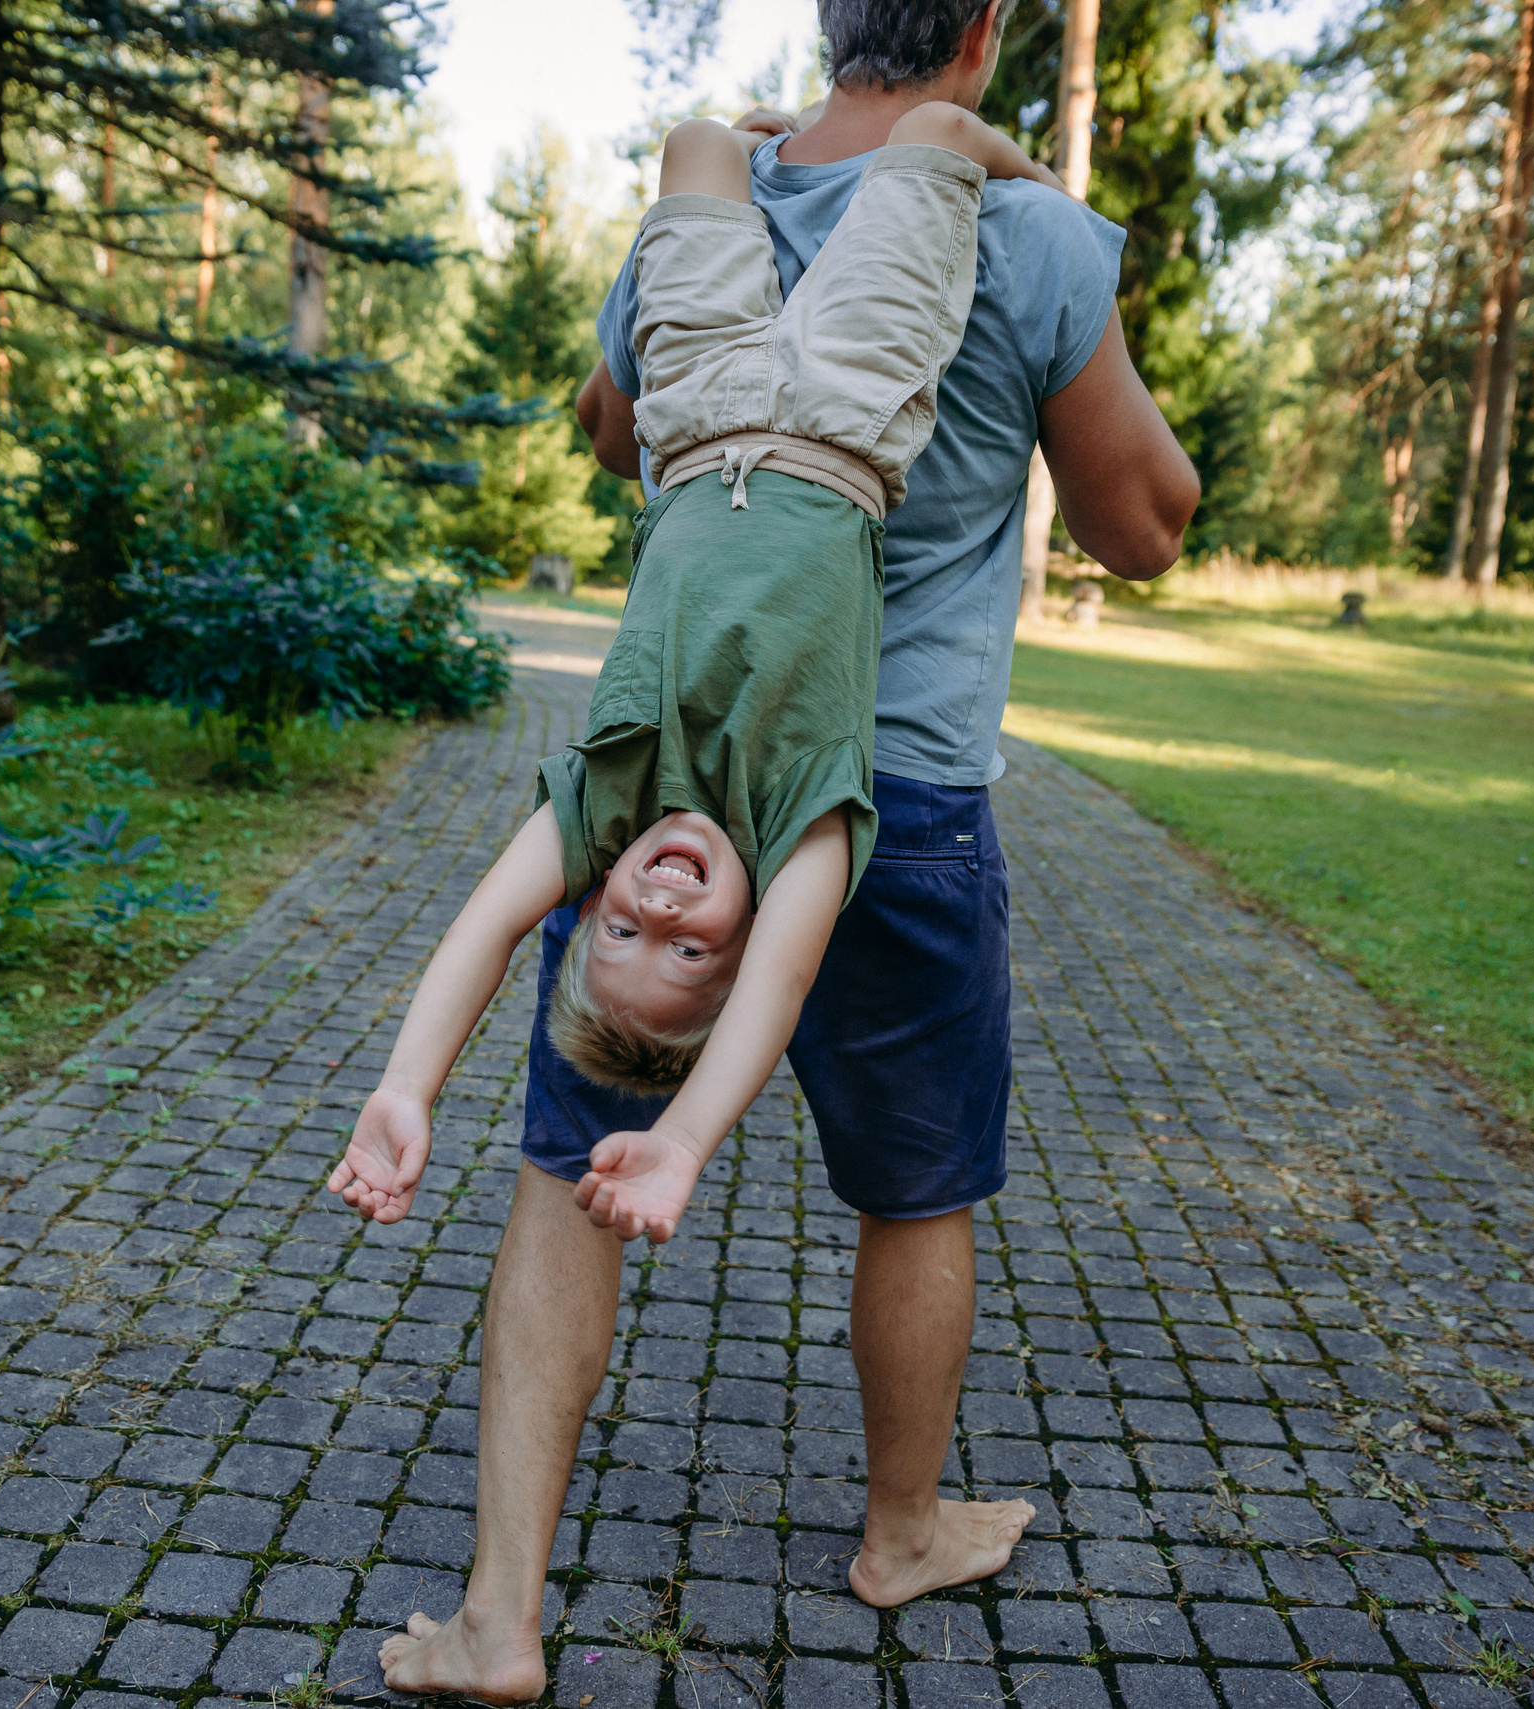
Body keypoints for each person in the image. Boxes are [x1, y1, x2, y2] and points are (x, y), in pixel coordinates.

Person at [336, 2, 1200, 1701]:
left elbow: (609, 417)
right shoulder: (1023, 240)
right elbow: (1147, 522)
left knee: (564, 1170)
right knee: (914, 1182)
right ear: (983, 27)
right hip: (911, 782)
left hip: (675, 745)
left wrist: (409, 1076)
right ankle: (901, 1523)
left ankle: (502, 1611)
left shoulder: (697, 218)